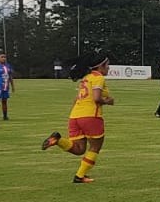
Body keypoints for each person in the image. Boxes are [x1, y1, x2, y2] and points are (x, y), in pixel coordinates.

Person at [40, 52, 115, 184]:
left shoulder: (86, 78)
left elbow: (76, 99)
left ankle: (57, 140)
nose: (109, 67)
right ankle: (79, 176)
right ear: (101, 66)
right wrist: (108, 101)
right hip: (91, 115)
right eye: (107, 64)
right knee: (95, 148)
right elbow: (96, 98)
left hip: (75, 116)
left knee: (79, 149)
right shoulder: (98, 78)